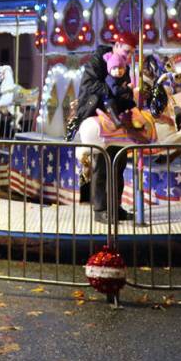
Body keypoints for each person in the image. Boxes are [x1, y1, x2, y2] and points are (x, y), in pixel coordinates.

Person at [69, 32, 137, 224]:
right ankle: (100, 209)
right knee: (101, 163)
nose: (128, 57)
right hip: (96, 113)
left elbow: (124, 88)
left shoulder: (126, 65)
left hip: (116, 117)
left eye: (131, 53)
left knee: (119, 162)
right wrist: (113, 91)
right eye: (126, 51)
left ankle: (115, 207)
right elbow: (90, 85)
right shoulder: (97, 62)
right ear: (115, 46)